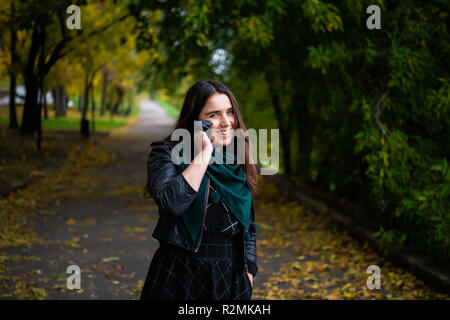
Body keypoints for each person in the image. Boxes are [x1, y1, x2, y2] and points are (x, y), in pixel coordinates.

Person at [140, 80, 259, 300]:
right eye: (214, 115)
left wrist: (250, 270)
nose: (226, 122)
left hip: (230, 278)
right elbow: (172, 204)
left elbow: (248, 225)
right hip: (181, 275)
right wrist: (204, 153)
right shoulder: (166, 154)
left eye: (230, 112)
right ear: (195, 121)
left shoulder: (236, 159)